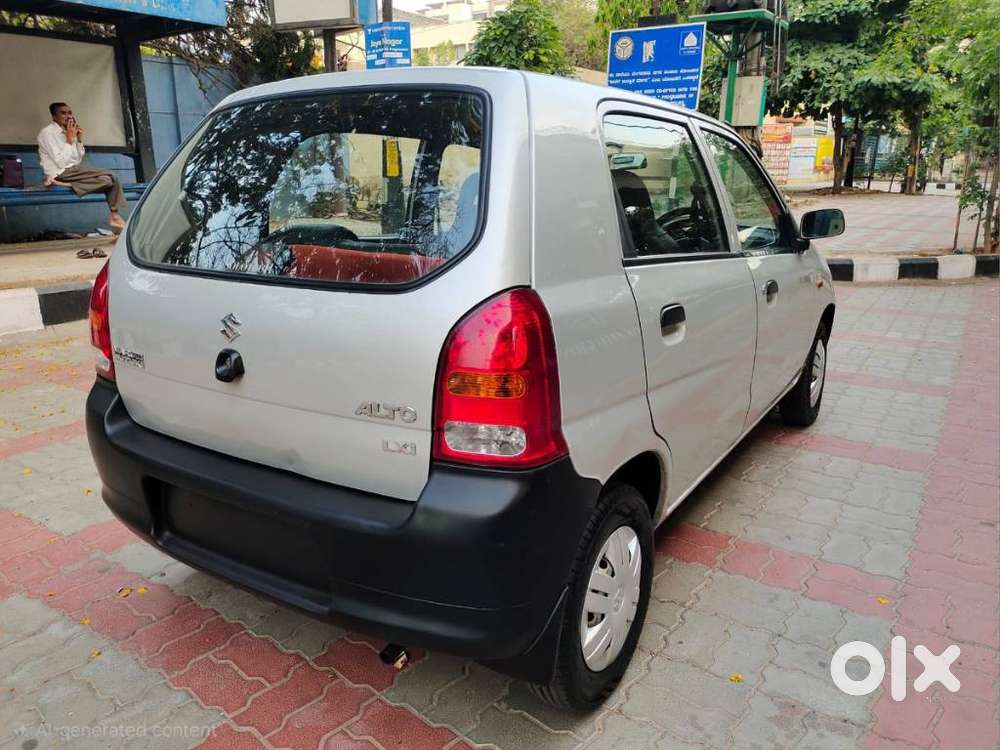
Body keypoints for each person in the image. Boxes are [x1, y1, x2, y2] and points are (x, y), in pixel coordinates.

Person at [38, 102, 126, 232]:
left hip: (73, 171)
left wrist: (78, 140)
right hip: (60, 172)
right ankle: (115, 216)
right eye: (63, 113)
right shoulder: (47, 133)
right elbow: (61, 163)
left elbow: (77, 159)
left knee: (107, 180)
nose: (68, 116)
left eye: (69, 113)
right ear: (54, 116)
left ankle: (114, 215)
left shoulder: (69, 131)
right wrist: (69, 140)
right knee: (112, 175)